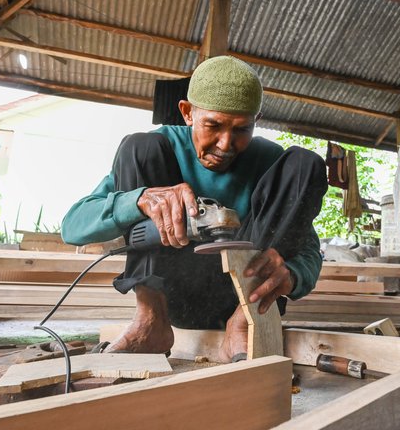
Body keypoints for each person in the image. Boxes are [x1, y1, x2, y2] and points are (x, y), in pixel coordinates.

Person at [62, 56, 328, 361]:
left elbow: (308, 250)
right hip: (172, 296)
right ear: (188, 113)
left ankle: (242, 325)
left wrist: (291, 274)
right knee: (138, 146)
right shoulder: (160, 146)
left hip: (249, 299)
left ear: (256, 120)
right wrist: (140, 200)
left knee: (306, 164)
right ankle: (151, 322)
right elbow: (72, 227)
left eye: (242, 129)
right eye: (213, 125)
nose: (226, 144)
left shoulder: (272, 164)